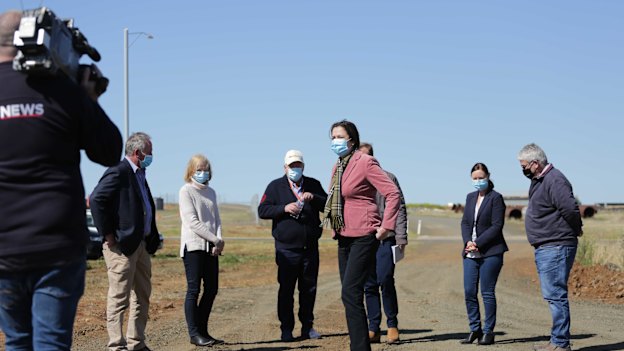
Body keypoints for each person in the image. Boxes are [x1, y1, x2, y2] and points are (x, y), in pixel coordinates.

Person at [0, 10, 122, 350]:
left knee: (16, 342)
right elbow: (110, 151)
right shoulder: (62, 90)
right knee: (51, 343)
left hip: (3, 248)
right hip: (56, 244)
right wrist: (89, 99)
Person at [323, 120, 401, 351]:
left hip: (365, 234)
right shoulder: (338, 166)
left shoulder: (365, 162)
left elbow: (393, 193)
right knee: (351, 296)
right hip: (344, 235)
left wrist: (386, 226)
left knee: (350, 292)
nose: (335, 141)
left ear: (352, 140)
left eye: (339, 137)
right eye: (332, 137)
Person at [90, 132, 162, 351]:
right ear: (138, 152)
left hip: (140, 246)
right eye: (149, 152)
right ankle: (116, 345)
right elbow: (96, 199)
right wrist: (108, 235)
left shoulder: (141, 174)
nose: (152, 156)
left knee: (142, 296)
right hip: (121, 247)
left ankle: (136, 343)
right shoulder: (119, 171)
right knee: (119, 298)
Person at [258, 150, 328, 342]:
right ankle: (286, 329)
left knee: (309, 290)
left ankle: (308, 328)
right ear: (285, 167)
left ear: (303, 167)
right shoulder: (275, 187)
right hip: (286, 249)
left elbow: (328, 205)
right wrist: (284, 208)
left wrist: (314, 197)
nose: (295, 169)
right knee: (286, 290)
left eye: (298, 165)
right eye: (291, 166)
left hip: (309, 248)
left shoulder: (313, 184)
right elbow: (263, 210)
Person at [518, 143, 582, 351]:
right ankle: (557, 340)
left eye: (524, 165)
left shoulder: (555, 180)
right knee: (553, 294)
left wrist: (576, 228)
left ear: (535, 164)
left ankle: (560, 343)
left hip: (556, 246)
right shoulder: (540, 180)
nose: (523, 169)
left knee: (555, 295)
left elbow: (570, 209)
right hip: (547, 246)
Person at [358, 142, 408, 345]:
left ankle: (392, 325)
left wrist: (401, 237)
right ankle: (373, 328)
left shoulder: (389, 177)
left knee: (385, 279)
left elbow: (400, 208)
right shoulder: (352, 179)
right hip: (362, 239)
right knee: (368, 285)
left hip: (385, 238)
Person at [459, 163, 508, 346]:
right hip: (470, 252)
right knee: (469, 292)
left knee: (487, 292)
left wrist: (478, 243)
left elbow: (497, 226)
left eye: (481, 178)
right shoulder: (470, 197)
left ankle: (488, 332)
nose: (478, 181)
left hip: (491, 252)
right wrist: (468, 242)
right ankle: (475, 329)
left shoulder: (496, 198)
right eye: (475, 178)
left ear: (488, 176)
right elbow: (465, 223)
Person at [178, 154, 225, 347]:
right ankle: (194, 333)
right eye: (198, 169)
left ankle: (204, 331)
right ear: (191, 171)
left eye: (205, 169)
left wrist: (218, 240)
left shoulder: (211, 192)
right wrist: (214, 239)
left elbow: (216, 220)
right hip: (194, 247)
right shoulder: (186, 191)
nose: (202, 172)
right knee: (194, 289)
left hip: (211, 248)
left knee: (212, 289)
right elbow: (193, 222)